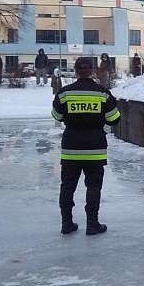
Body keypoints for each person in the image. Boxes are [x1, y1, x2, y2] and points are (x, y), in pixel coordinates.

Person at [51, 57, 121, 235]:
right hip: (95, 148)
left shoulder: (65, 93)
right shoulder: (103, 93)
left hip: (71, 148)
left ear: (75, 71)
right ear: (92, 71)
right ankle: (92, 224)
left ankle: (66, 224)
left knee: (67, 186)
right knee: (94, 187)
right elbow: (114, 119)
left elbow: (57, 116)